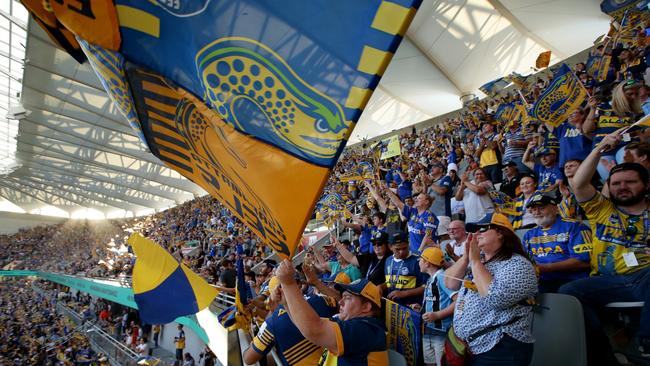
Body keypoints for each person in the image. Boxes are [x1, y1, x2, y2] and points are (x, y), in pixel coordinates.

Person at [560, 129, 650, 365]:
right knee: (569, 292)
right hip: (607, 280)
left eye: (630, 182)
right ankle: (604, 357)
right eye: (617, 183)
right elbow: (579, 182)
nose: (623, 187)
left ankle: (646, 345)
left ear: (645, 185)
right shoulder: (601, 209)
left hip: (644, 278)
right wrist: (600, 148)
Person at [444, 213, 538, 366]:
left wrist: (474, 262)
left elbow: (495, 299)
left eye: (482, 229)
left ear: (501, 233)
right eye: (474, 230)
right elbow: (449, 283)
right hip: (469, 347)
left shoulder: (518, 264)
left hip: (499, 348)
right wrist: (466, 258)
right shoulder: (478, 260)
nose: (476, 234)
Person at [276, 260, 389, 365]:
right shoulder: (350, 322)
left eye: (347, 298)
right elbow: (304, 325)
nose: (340, 302)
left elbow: (314, 329)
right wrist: (286, 303)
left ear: (366, 307)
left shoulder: (367, 330)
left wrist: (289, 284)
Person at [243, 275, 338, 365]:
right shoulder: (321, 299)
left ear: (274, 296)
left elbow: (248, 358)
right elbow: (340, 302)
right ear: (298, 284)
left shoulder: (271, 324)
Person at [522, 193, 592, 293]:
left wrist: (544, 268)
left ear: (555, 209)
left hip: (572, 280)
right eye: (533, 209)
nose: (536, 212)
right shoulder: (529, 234)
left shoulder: (575, 226)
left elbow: (584, 262)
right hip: (540, 281)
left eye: (541, 208)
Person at [419, 247, 457, 366]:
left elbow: (459, 301)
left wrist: (437, 315)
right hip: (429, 328)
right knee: (429, 363)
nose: (419, 263)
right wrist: (421, 308)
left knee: (441, 362)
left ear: (427, 263)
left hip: (442, 330)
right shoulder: (431, 279)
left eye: (420, 260)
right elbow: (435, 300)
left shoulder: (442, 277)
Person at [385, 187, 439, 254]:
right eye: (416, 198)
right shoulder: (412, 212)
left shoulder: (429, 216)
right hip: (413, 251)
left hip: (425, 253)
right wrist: (387, 190)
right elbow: (398, 203)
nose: (416, 199)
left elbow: (428, 236)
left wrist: (419, 251)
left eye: (419, 198)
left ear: (426, 202)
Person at [382, 231, 427, 306]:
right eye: (397, 249)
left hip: (412, 307)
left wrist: (404, 293)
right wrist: (381, 287)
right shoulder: (388, 260)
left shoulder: (418, 260)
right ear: (390, 247)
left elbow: (427, 286)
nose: (401, 252)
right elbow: (391, 282)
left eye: (404, 248)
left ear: (408, 244)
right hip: (393, 307)